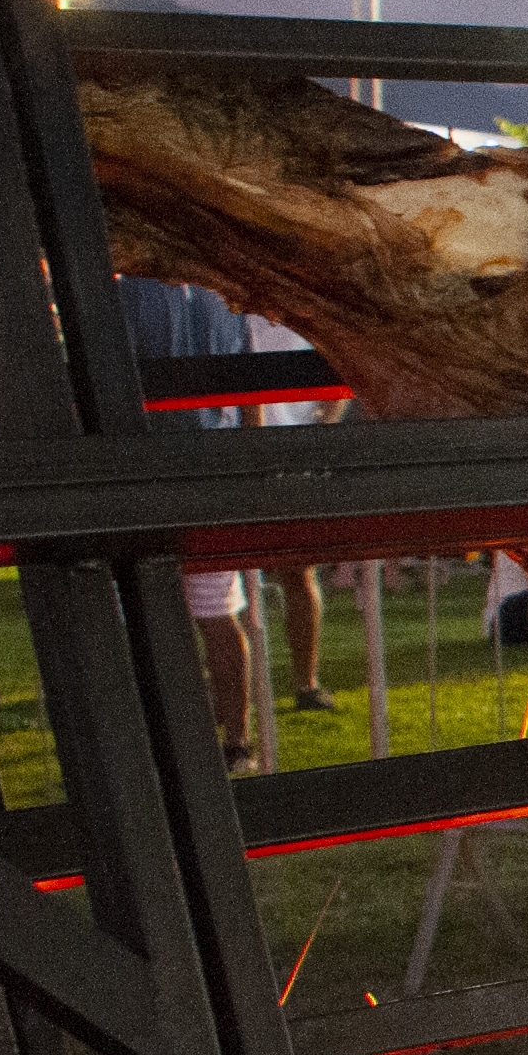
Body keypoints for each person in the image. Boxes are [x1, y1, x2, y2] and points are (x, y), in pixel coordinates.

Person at [117, 272, 259, 766]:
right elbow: (247, 387)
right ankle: (235, 739)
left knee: (162, 615)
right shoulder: (220, 294)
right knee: (214, 613)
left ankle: (177, 735)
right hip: (212, 472)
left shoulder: (130, 291)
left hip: (149, 471)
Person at [241, 309, 336, 712]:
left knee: (299, 572)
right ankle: (239, 694)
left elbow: (335, 385)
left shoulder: (305, 318)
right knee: (235, 582)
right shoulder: (232, 314)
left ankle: (306, 683)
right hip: (242, 454)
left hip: (293, 455)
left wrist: (318, 432)